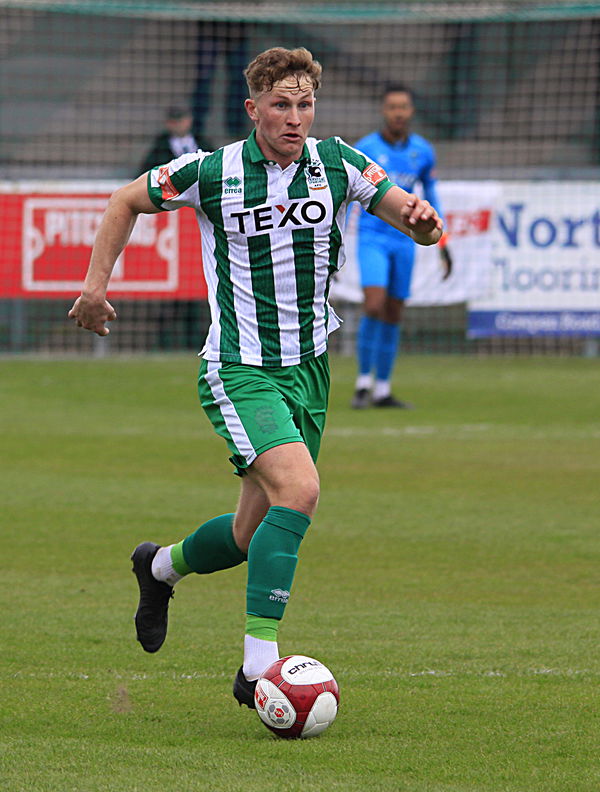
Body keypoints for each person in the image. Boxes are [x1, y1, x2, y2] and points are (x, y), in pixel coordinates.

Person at [68, 47, 442, 709]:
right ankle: (258, 667)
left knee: (251, 534)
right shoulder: (212, 172)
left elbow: (404, 212)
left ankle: (159, 566)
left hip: (310, 370)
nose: (295, 118)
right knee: (300, 490)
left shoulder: (339, 163)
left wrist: (422, 224)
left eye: (305, 104)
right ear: (253, 109)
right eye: (281, 105)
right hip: (239, 368)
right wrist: (96, 288)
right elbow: (125, 199)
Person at [351, 85, 452, 409]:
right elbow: (347, 196)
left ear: (411, 111)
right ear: (384, 111)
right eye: (392, 107)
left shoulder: (422, 151)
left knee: (394, 311)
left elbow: (431, 196)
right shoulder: (366, 148)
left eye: (403, 106)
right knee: (374, 305)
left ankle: (382, 388)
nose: (398, 113)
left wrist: (442, 241)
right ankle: (363, 383)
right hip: (372, 238)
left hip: (404, 240)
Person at [138, 106, 208, 176]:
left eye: (181, 121)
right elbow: (148, 173)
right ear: (168, 123)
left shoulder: (202, 143)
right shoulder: (160, 148)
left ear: (190, 120)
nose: (178, 125)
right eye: (174, 121)